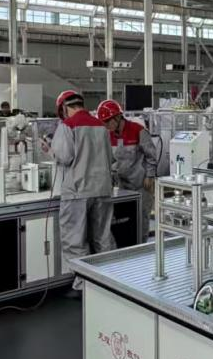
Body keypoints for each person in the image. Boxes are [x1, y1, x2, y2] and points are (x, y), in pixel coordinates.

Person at [50, 90, 115, 295]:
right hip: (103, 189)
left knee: (75, 240)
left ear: (64, 108)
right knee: (103, 237)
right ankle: (109, 282)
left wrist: (50, 149)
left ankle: (82, 286)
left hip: (77, 190)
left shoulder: (68, 125)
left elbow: (64, 156)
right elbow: (110, 157)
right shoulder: (101, 126)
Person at [97, 99, 158, 241]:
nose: (106, 126)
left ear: (118, 117)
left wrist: (150, 176)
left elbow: (151, 156)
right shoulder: (108, 135)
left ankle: (142, 248)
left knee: (142, 221)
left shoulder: (138, 130)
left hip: (142, 185)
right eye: (103, 123)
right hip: (123, 187)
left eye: (107, 122)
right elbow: (110, 160)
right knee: (126, 221)